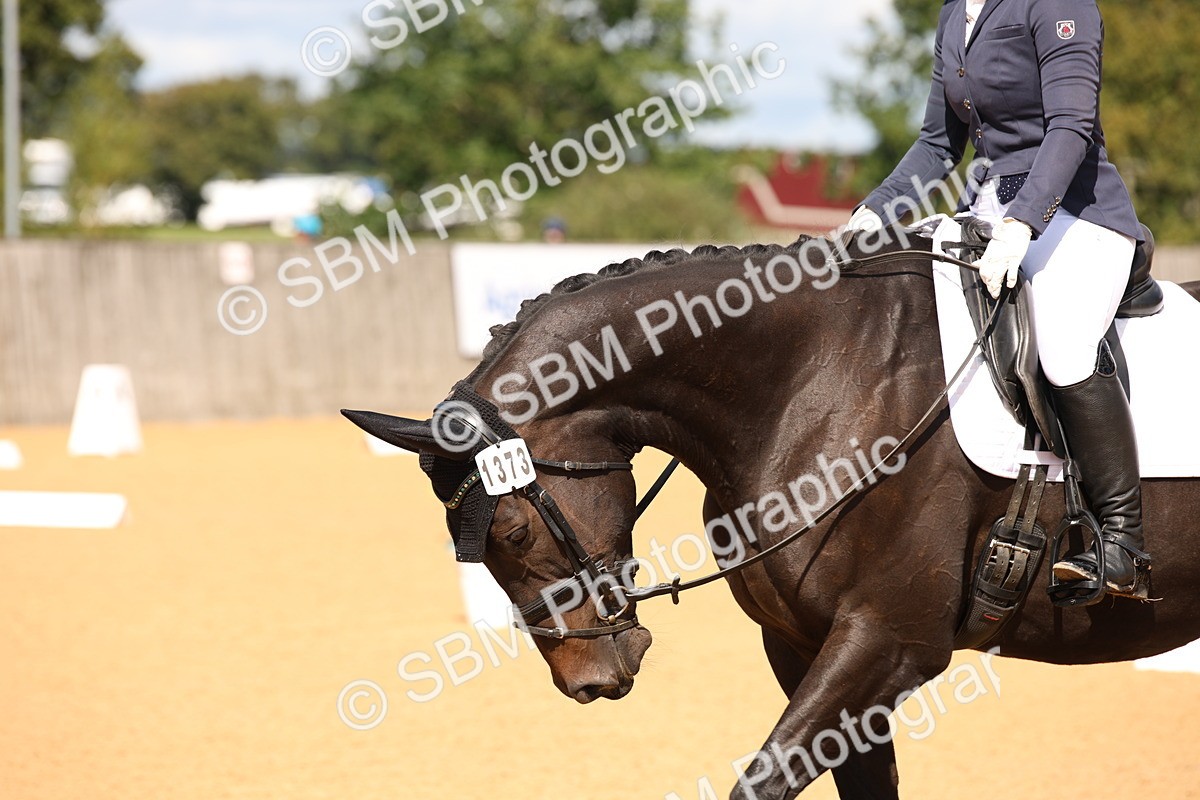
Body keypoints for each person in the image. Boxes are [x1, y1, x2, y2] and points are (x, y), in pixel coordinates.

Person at [846, 0, 1151, 596]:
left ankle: (1122, 541)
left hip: (1076, 211)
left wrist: (1023, 223)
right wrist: (873, 212)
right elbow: (938, 144)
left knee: (1062, 348)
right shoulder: (954, 13)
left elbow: (1071, 125)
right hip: (985, 209)